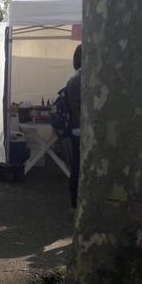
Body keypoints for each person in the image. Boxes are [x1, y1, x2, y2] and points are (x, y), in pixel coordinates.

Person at [66, 44, 82, 208]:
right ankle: (75, 203)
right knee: (78, 168)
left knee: (76, 167)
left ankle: (75, 203)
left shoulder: (75, 78)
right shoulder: (80, 79)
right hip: (80, 129)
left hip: (76, 128)